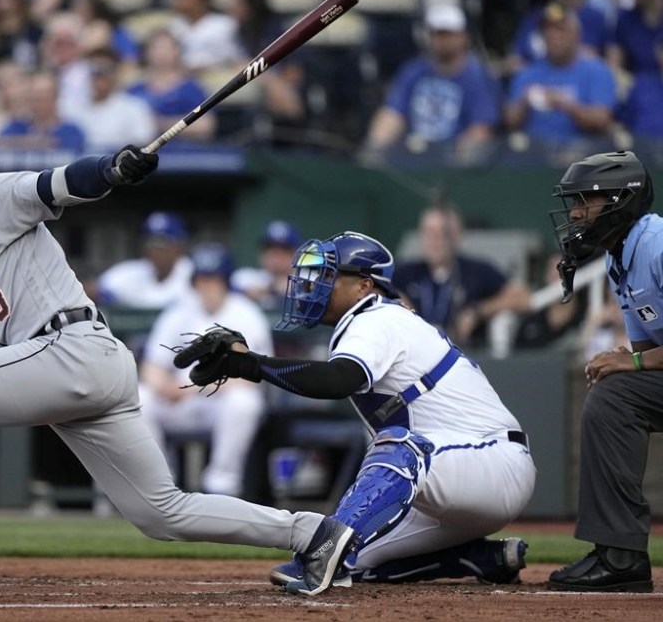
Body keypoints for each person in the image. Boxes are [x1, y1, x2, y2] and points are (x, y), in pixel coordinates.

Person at [0, 134, 357, 598]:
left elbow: (62, 183)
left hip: (70, 345)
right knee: (161, 513)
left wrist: (111, 169)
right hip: (77, 365)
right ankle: (313, 533)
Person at [174, 231, 535, 591]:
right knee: (355, 561)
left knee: (394, 452)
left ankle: (324, 549)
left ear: (364, 286)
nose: (314, 284)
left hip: (492, 463)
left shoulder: (376, 318)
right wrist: (246, 362)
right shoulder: (371, 322)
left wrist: (249, 365)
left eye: (329, 276)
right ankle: (481, 558)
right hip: (449, 482)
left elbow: (337, 381)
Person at [546, 150, 657, 592]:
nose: (574, 214)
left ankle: (621, 555)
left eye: (582, 202)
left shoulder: (658, 244)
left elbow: (641, 357)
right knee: (614, 396)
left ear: (619, 201)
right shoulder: (619, 257)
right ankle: (620, 554)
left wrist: (630, 362)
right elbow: (648, 348)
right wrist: (626, 363)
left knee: (616, 392)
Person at [139, 242, 273, 497]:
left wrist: (195, 387)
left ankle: (222, 486)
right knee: (142, 397)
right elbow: (150, 367)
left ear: (225, 281)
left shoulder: (246, 313)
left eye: (213, 279)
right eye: (202, 278)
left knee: (244, 402)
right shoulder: (179, 311)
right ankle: (161, 485)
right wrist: (164, 386)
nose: (207, 285)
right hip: (180, 403)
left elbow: (255, 375)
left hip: (219, 402)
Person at [359, 4, 501, 167]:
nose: (442, 40)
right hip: (413, 152)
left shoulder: (477, 76)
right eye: (437, 34)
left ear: (464, 37)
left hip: (453, 158)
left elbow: (481, 129)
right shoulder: (413, 71)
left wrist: (458, 166)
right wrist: (374, 151)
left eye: (448, 34)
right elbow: (392, 114)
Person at [392, 204, 532, 348]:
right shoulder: (406, 272)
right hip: (415, 352)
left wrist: (478, 312)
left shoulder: (476, 271)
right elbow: (374, 289)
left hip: (466, 354)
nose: (435, 240)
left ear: (457, 236)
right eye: (429, 232)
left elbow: (523, 297)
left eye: (443, 233)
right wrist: (399, 301)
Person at [504, 4, 616, 159]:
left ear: (577, 34)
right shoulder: (528, 73)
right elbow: (510, 121)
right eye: (547, 30)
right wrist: (524, 102)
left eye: (560, 30)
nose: (553, 36)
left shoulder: (596, 71)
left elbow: (601, 119)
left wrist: (566, 105)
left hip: (580, 152)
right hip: (534, 151)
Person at [93, 211, 193, 309]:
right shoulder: (136, 271)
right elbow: (95, 290)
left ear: (179, 247)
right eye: (151, 243)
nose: (155, 250)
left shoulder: (193, 274)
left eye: (162, 243)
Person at [73, 46, 155, 154]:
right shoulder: (73, 108)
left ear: (115, 73)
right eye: (93, 71)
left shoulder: (135, 107)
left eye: (103, 71)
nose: (98, 77)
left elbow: (144, 145)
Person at [231, 219, 302, 309]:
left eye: (284, 250)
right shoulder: (246, 277)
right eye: (271, 250)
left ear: (296, 254)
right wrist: (271, 289)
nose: (276, 257)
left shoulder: (307, 279)